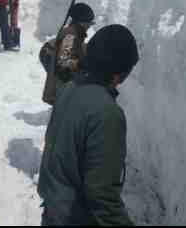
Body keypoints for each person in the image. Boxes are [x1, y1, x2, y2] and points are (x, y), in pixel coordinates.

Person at [38, 24, 139, 226]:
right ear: (119, 75)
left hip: (54, 210)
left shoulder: (68, 89)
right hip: (75, 217)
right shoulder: (107, 113)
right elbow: (101, 194)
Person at [40, 3, 95, 105]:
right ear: (82, 23)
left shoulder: (76, 32)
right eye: (89, 23)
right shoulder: (70, 36)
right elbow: (63, 61)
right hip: (48, 53)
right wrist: (80, 63)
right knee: (63, 80)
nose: (89, 26)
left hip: (53, 51)